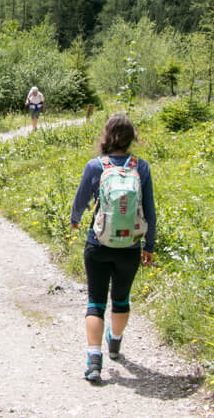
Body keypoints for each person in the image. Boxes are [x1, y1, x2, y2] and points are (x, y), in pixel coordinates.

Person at [69, 113, 156, 382]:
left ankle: (94, 361)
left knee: (95, 302)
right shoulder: (141, 168)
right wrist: (149, 245)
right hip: (130, 245)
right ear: (131, 139)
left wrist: (74, 220)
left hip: (98, 243)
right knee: (121, 298)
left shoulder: (96, 166)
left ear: (106, 135)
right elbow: (150, 212)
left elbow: (81, 200)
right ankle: (115, 342)